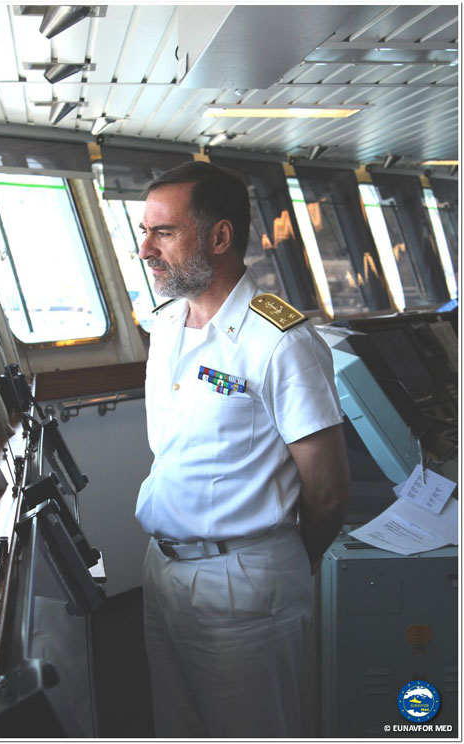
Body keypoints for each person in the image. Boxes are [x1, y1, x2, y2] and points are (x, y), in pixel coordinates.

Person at [135, 161, 350, 738]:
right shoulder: (165, 327)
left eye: (164, 233)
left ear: (220, 237)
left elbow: (329, 491)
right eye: (144, 232)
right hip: (162, 570)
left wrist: (283, 558)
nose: (145, 250)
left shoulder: (279, 341)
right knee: (176, 727)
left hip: (244, 585)